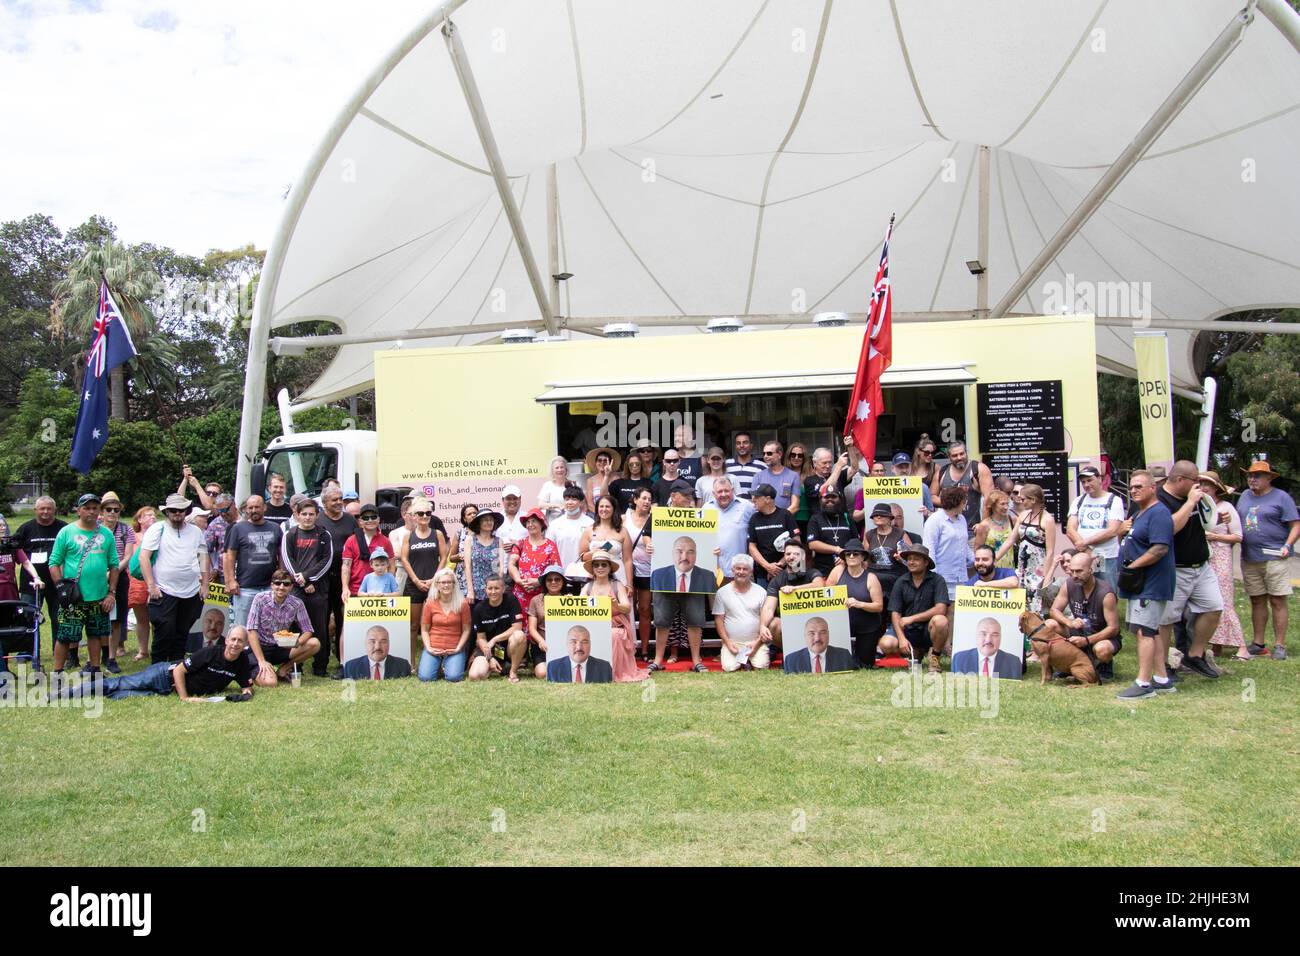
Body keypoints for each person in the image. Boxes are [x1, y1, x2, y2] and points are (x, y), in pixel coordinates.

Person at [1154, 459, 1225, 679]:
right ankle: (1163, 665)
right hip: (1174, 568)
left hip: (1201, 566)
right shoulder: (1159, 500)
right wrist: (1189, 504)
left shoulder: (1192, 498)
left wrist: (1215, 517)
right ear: (1180, 479)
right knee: (1166, 620)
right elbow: (1169, 528)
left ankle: (1194, 655)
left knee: (1214, 607)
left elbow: (1203, 523)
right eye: (1195, 481)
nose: (1200, 486)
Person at [62, 627, 257, 701]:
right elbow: (180, 670)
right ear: (227, 639)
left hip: (166, 691)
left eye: (240, 641)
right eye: (233, 639)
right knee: (117, 684)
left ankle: (94, 694)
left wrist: (246, 693)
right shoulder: (210, 653)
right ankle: (66, 693)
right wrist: (185, 699)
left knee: (120, 696)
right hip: (164, 675)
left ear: (245, 644)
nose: (235, 644)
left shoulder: (241, 662)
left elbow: (246, 686)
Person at [1114, 469, 1177, 700]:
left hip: (1150, 582)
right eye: (1131, 487)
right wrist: (1121, 534)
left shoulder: (1159, 513)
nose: (1134, 490)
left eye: (1139, 486)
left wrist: (1133, 566)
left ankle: (1143, 683)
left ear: (1153, 488)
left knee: (1144, 631)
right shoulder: (1140, 513)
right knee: (1151, 630)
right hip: (1139, 583)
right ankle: (1161, 679)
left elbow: (1160, 548)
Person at [47, 493, 119, 676]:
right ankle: (58, 672)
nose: (91, 512)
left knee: (95, 634)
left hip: (99, 596)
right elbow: (54, 563)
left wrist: (111, 593)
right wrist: (61, 588)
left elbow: (114, 566)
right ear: (79, 510)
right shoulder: (67, 532)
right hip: (74, 597)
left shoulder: (106, 534)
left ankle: (94, 669)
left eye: (95, 508)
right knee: (65, 636)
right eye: (87, 508)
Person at [1235, 460, 1299, 660]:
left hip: (1274, 557)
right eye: (1250, 475)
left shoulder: (1281, 497)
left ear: (1269, 478)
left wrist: (1287, 546)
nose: (1252, 479)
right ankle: (1258, 643)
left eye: (1257, 476)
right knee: (1256, 600)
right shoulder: (1244, 496)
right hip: (1250, 557)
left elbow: (1295, 525)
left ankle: (1279, 645)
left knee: (1277, 599)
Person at [137, 493, 210, 665]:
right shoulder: (157, 529)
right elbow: (143, 557)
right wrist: (151, 586)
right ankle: (157, 669)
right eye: (174, 510)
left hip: (191, 590)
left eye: (181, 510)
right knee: (164, 630)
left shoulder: (196, 531)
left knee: (182, 631)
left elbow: (204, 557)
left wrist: (205, 584)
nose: (177, 513)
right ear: (167, 512)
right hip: (164, 589)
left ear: (187, 511)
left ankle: (177, 667)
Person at [279, 497, 334, 675]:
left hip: (318, 589)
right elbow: (288, 561)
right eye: (304, 514)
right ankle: (296, 666)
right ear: (297, 515)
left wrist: (311, 580)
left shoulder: (324, 535)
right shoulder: (290, 535)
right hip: (297, 590)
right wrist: (302, 582)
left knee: (320, 628)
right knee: (295, 629)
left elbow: (327, 561)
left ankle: (320, 667)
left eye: (311, 514)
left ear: (317, 515)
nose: (308, 517)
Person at [1049, 550, 1121, 682]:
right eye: (1073, 571)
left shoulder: (1106, 593)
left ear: (1091, 569)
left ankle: (1104, 666)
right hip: (1077, 632)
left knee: (1102, 649)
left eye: (1079, 571)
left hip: (1100, 636)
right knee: (1050, 625)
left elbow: (1113, 628)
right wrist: (1069, 623)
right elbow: (1054, 610)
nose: (1075, 575)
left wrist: (1087, 641)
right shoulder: (1069, 584)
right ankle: (1066, 665)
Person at [1198, 471, 1248, 661]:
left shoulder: (1226, 507)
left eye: (1207, 485)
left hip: (1221, 556)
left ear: (1216, 489)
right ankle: (1216, 644)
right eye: (1201, 484)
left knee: (1223, 601)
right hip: (1205, 557)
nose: (1203, 488)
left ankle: (1242, 646)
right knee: (1210, 602)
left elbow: (1237, 536)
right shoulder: (1201, 507)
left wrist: (1215, 537)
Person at [245, 569, 320, 684]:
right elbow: (251, 631)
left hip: (281, 645)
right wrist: (261, 661)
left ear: (291, 587)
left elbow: (308, 630)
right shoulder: (260, 599)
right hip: (261, 647)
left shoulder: (297, 603)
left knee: (314, 644)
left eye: (286, 584)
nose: (281, 587)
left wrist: (298, 642)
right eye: (277, 583)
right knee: (270, 683)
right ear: (272, 585)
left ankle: (283, 669)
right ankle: (258, 668)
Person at [13, 495, 66, 654]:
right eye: (42, 508)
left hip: (57, 581)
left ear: (55, 510)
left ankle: (59, 650)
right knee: (28, 616)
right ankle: (27, 651)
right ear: (35, 510)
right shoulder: (25, 529)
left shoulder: (63, 528)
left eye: (49, 508)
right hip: (31, 581)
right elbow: (14, 550)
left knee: (58, 617)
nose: (45, 512)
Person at [885, 543, 950, 671]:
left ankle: (935, 658)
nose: (911, 562)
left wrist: (912, 618)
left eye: (916, 559)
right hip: (907, 629)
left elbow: (941, 609)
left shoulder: (937, 580)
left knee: (941, 621)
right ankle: (914, 654)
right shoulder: (901, 581)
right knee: (886, 644)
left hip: (928, 629)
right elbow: (895, 613)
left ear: (926, 562)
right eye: (909, 559)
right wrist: (902, 638)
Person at [581, 551, 644, 681]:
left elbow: (627, 608)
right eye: (596, 565)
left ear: (609, 568)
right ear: (592, 569)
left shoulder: (617, 585)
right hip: (593, 625)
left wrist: (616, 605)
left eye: (604, 565)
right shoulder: (587, 587)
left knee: (614, 635)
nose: (600, 568)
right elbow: (580, 608)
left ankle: (613, 673)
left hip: (616, 625)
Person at [223, 495, 283, 629]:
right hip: (245, 587)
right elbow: (229, 556)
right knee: (243, 629)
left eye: (257, 507)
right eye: (250, 508)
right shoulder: (238, 528)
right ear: (246, 510)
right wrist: (230, 581)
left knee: (270, 627)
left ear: (264, 508)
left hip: (270, 587)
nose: (253, 510)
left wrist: (282, 578)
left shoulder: (275, 528)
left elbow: (281, 554)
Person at [400, 496, 448, 665]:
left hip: (435, 586)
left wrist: (435, 579)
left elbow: (444, 557)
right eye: (420, 513)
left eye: (428, 513)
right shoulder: (408, 536)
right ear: (413, 515)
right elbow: (404, 559)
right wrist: (416, 580)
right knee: (413, 626)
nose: (425, 516)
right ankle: (411, 662)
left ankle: (440, 660)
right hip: (414, 586)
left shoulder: (438, 534)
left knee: (437, 625)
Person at [316, 487, 359, 675]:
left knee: (345, 621)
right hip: (323, 580)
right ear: (325, 502)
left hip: (345, 580)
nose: (339, 502)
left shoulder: (350, 520)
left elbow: (358, 545)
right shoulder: (318, 520)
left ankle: (345, 661)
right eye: (334, 499)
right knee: (322, 622)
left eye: (340, 499)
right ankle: (321, 664)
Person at [757, 539, 826, 653]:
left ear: (802, 556)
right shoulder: (777, 579)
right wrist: (763, 626)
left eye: (796, 554)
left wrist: (795, 589)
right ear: (784, 556)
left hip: (813, 622)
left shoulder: (812, 572)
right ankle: (789, 653)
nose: (792, 557)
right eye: (788, 554)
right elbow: (769, 608)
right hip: (790, 623)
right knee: (773, 624)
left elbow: (820, 585)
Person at [997, 483, 1056, 614]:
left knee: (1035, 603)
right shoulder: (1023, 515)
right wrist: (995, 557)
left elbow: (1050, 551)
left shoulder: (1047, 519)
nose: (1020, 500)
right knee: (1020, 600)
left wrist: (1046, 577)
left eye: (1023, 499)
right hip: (1023, 566)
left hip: (1038, 567)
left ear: (1033, 499)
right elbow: (1011, 540)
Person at [825, 538, 884, 666]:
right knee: (839, 664)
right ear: (844, 557)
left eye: (855, 553)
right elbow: (825, 596)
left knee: (864, 665)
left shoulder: (871, 578)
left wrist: (859, 604)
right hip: (841, 626)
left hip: (867, 627)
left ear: (862, 557)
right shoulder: (837, 572)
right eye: (848, 554)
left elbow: (879, 606)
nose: (851, 556)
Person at [1064, 466, 1125, 586]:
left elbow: (1113, 530)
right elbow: (1070, 529)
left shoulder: (1114, 500)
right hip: (1083, 556)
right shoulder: (1078, 501)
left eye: (1090, 480)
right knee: (1083, 590)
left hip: (1105, 556)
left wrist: (1085, 542)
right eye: (1083, 482)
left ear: (1099, 478)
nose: (1086, 484)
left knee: (1106, 591)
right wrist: (1087, 550)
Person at [96, 491, 135, 672]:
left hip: (119, 576)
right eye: (108, 509)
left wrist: (113, 571)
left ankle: (111, 657)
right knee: (95, 617)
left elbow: (128, 555)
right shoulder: (94, 528)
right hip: (96, 577)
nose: (112, 513)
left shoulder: (125, 529)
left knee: (117, 619)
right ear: (101, 511)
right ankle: (94, 657)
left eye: (116, 510)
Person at [466, 573, 527, 682]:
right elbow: (480, 638)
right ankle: (494, 666)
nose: (493, 592)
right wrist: (489, 658)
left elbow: (517, 627)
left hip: (508, 647)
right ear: (485, 589)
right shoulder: (479, 609)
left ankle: (512, 672)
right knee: (474, 676)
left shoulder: (511, 600)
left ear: (503, 589)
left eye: (497, 588)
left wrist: (494, 639)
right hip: (488, 649)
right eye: (490, 588)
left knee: (519, 635)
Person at [714, 555, 768, 671]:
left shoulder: (761, 592)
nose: (741, 572)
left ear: (751, 572)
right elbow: (719, 620)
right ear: (732, 570)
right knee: (729, 668)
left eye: (745, 569)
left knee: (762, 667)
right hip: (733, 642)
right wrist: (727, 642)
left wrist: (758, 642)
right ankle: (743, 661)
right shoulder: (722, 592)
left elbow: (765, 620)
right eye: (738, 568)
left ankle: (750, 660)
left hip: (755, 641)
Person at [418, 567, 471, 682]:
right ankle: (438, 666)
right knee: (425, 677)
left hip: (454, 648)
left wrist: (458, 648)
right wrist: (429, 648)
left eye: (449, 582)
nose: (446, 585)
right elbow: (424, 629)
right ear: (437, 585)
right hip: (434, 647)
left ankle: (446, 664)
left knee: (454, 677)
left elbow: (466, 630)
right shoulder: (430, 603)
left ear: (454, 584)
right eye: (443, 582)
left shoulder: (463, 603)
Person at [923, 485, 974, 599]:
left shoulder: (962, 519)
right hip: (942, 577)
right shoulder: (935, 520)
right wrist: (933, 575)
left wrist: (975, 560)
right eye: (964, 501)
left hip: (961, 576)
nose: (965, 505)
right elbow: (929, 548)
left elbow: (964, 544)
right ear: (957, 502)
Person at [930, 440, 992, 531]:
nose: (959, 457)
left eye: (961, 454)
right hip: (947, 530)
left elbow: (989, 498)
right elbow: (931, 497)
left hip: (972, 530)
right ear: (949, 457)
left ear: (966, 453)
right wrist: (950, 503)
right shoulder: (942, 473)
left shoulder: (978, 469)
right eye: (954, 455)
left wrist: (983, 525)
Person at [747, 483, 799, 587]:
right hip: (763, 572)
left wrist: (779, 565)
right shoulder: (754, 518)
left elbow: (796, 542)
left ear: (767, 499)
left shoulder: (785, 515)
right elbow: (752, 546)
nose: (753, 500)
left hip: (787, 570)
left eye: (757, 497)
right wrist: (768, 567)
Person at [509, 508, 561, 610]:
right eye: (527, 522)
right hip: (520, 595)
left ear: (541, 524)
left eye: (533, 521)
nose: (530, 524)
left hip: (542, 595)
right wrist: (518, 580)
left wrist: (539, 581)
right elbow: (511, 563)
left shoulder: (550, 545)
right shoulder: (521, 543)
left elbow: (556, 570)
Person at [624, 488, 655, 657]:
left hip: (647, 569)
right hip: (627, 569)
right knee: (627, 609)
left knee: (644, 609)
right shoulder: (624, 518)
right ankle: (628, 648)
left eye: (649, 499)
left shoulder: (655, 519)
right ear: (635, 500)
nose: (646, 502)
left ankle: (644, 649)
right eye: (643, 498)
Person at [340, 502, 391, 603]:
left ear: (379, 519)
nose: (370, 520)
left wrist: (388, 586)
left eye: (373, 517)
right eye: (366, 518)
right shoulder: (351, 540)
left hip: (380, 592)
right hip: (355, 590)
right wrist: (345, 588)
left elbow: (391, 565)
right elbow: (346, 566)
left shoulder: (386, 541)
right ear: (360, 521)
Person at [863, 503, 910, 602]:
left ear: (890, 518)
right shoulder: (869, 534)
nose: (878, 516)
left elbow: (911, 557)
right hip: (873, 575)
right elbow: (865, 559)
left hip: (894, 574)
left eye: (882, 514)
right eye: (876, 515)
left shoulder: (900, 534)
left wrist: (901, 558)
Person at [806, 484, 856, 578]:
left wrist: (845, 556)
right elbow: (812, 544)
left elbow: (856, 542)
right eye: (826, 497)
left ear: (840, 499)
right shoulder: (815, 519)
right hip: (823, 572)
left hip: (848, 569)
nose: (830, 499)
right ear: (821, 500)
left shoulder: (847, 518)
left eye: (834, 496)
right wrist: (838, 550)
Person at [526, 565, 567, 677]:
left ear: (563, 582)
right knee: (542, 673)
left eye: (557, 579)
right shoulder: (536, 600)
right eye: (549, 579)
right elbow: (532, 628)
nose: (553, 582)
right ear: (544, 582)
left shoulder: (569, 600)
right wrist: (541, 641)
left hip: (563, 645)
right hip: (542, 645)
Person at [712, 476, 754, 585]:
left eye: (727, 491)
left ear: (733, 490)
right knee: (716, 601)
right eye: (719, 491)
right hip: (714, 569)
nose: (723, 494)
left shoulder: (747, 507)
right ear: (713, 493)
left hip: (740, 571)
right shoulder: (706, 508)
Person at [127, 506, 156, 661]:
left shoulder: (159, 535)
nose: (152, 517)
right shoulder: (134, 537)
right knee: (141, 618)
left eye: (154, 515)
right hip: (138, 581)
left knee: (158, 617)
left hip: (156, 579)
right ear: (139, 520)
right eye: (148, 515)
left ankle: (158, 648)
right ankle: (143, 650)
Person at [579, 496, 632, 580]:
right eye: (601, 506)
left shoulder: (623, 531)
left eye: (607, 506)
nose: (604, 509)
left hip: (618, 575)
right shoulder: (589, 530)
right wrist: (594, 553)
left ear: (614, 509)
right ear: (597, 509)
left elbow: (628, 560)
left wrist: (629, 584)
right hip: (595, 575)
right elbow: (582, 557)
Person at [952, 617, 1022, 678]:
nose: (988, 640)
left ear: (1000, 637)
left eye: (994, 635)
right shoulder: (959, 659)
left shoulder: (1013, 663)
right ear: (976, 636)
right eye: (983, 634)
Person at [783, 616, 857, 674]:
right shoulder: (791, 660)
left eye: (822, 632)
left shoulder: (844, 656)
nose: (817, 638)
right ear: (805, 636)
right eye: (812, 633)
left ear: (828, 634)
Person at [462, 510, 506, 603]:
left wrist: (499, 587)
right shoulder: (470, 540)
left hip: (494, 591)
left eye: (491, 520)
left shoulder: (499, 541)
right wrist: (470, 591)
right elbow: (467, 566)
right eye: (485, 520)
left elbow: (501, 567)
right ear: (479, 523)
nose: (489, 522)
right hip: (475, 591)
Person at [546, 624, 613, 683]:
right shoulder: (553, 667)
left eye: (584, 642)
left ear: (590, 644)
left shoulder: (604, 668)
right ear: (567, 644)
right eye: (574, 642)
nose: (579, 647)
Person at [649, 535, 716, 593]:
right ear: (673, 553)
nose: (684, 557)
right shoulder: (657, 576)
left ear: (696, 554)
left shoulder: (709, 577)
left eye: (690, 552)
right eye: (679, 551)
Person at [342, 625, 410, 680]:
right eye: (372, 641)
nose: (377, 647)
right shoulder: (351, 667)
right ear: (365, 644)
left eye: (383, 642)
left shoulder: (402, 666)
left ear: (389, 644)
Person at [752, 440, 801, 515]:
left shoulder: (793, 476)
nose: (765, 456)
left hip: (784, 522)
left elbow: (795, 506)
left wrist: (779, 519)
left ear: (779, 454)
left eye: (769, 453)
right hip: (763, 521)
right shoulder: (758, 476)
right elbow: (754, 502)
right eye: (764, 453)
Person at [972, 490, 1015, 571]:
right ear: (993, 505)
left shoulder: (1012, 520)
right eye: (1002, 504)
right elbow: (977, 549)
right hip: (991, 569)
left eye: (1007, 504)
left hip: (1010, 567)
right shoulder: (984, 525)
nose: (1006, 507)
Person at [786, 442, 814, 538]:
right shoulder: (783, 473)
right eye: (793, 455)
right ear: (788, 456)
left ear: (804, 458)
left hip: (808, 518)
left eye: (800, 455)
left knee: (807, 549)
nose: (796, 458)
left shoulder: (812, 474)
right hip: (789, 518)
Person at [725, 431, 762, 499]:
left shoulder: (762, 467)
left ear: (751, 445)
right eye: (738, 443)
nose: (741, 446)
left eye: (745, 442)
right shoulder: (726, 465)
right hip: (731, 508)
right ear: (735, 446)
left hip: (753, 508)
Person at [584, 447, 620, 514]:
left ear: (610, 463)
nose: (602, 462)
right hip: (595, 514)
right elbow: (589, 504)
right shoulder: (590, 480)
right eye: (599, 460)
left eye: (605, 460)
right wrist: (600, 515)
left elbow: (618, 502)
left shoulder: (616, 479)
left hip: (613, 515)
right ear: (596, 463)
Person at [497, 485, 527, 551]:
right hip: (500, 560)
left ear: (520, 499)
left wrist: (518, 544)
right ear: (503, 500)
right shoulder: (496, 519)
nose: (512, 502)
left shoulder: (528, 517)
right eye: (508, 499)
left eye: (515, 498)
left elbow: (536, 541)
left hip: (523, 560)